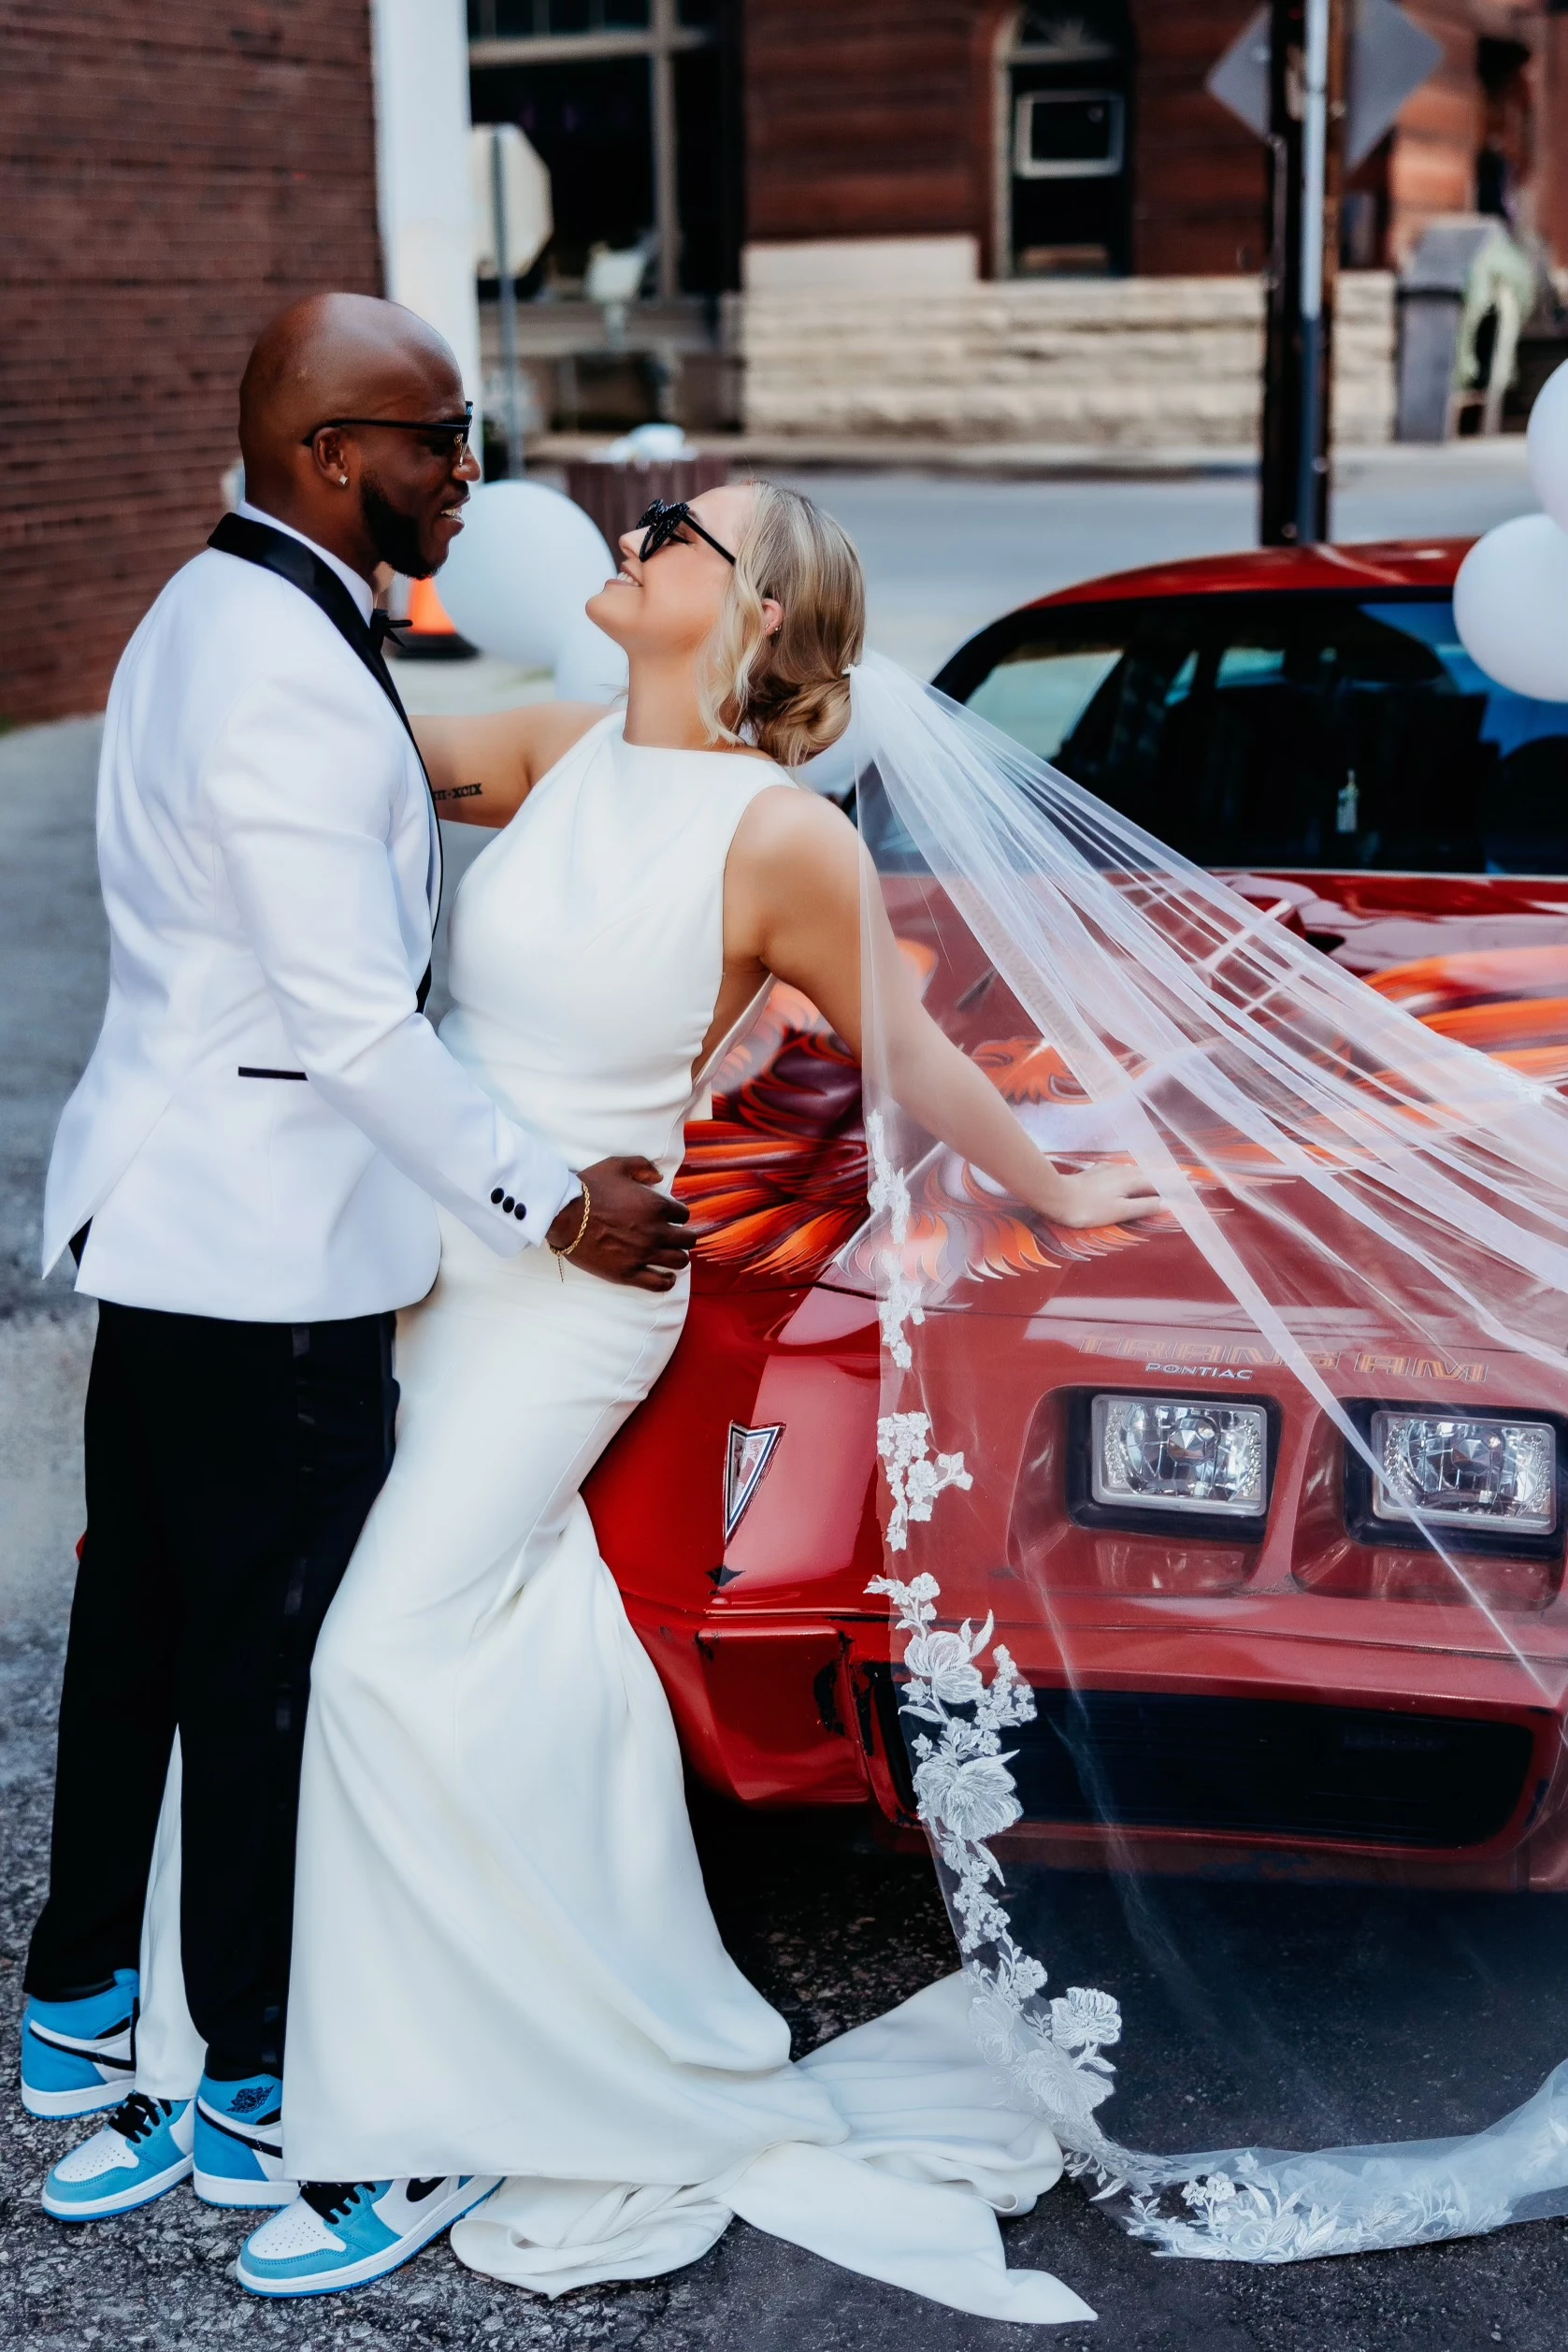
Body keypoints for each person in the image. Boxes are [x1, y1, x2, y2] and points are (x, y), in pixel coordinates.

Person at [218, 479, 1157, 2316]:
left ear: (755, 614)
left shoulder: (774, 836)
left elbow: (903, 1050)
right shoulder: (563, 743)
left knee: (376, 1654)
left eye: (676, 529)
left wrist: (1053, 1188)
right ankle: (470, 1982)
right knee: (467, 1634)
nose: (631, 530)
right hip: (422, 1250)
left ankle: (430, 2107)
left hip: (576, 1300)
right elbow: (358, 752)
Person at [25, 293, 687, 2226]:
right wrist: (557, 1204)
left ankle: (81, 2008)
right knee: (259, 1669)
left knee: (147, 1624)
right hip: (270, 1246)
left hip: (178, 1212)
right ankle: (250, 2077)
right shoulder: (284, 666)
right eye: (438, 436)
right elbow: (349, 1024)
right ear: (332, 453)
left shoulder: (209, 612)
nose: (468, 473)